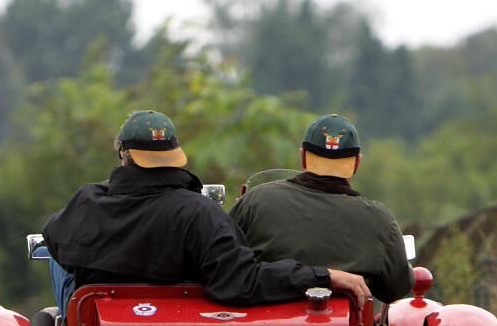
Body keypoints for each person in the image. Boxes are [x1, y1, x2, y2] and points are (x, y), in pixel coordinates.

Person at [42, 110, 370, 314]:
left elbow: (54, 236)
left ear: (123, 156)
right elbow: (243, 281)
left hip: (97, 321)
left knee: (58, 254)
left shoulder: (87, 202)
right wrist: (323, 275)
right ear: (173, 153)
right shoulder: (199, 213)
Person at [230, 113, 413, 304]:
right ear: (357, 162)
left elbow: (224, 265)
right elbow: (395, 290)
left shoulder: (256, 200)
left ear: (303, 156)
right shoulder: (379, 220)